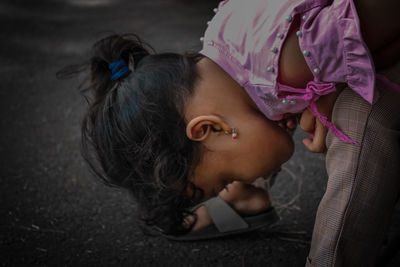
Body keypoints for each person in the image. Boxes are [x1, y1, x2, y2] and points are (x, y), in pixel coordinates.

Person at [78, 0, 400, 264]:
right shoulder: (224, 45)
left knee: (356, 119)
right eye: (231, 185)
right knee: (248, 118)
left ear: (207, 127)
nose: (232, 180)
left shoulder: (296, 57)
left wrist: (337, 76)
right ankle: (245, 198)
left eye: (226, 182)